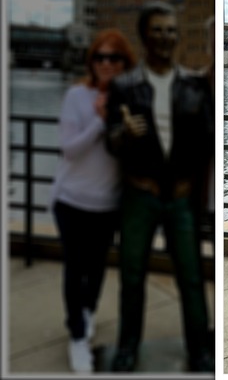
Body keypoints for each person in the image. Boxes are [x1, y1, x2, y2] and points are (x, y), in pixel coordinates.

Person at [105, 0, 214, 372]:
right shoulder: (124, 86)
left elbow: (207, 141)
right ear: (144, 36)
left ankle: (199, 351)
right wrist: (123, 134)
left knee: (191, 277)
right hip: (140, 195)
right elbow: (109, 141)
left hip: (181, 198)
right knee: (132, 276)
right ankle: (127, 349)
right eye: (157, 30)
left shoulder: (193, 86)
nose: (165, 37)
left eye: (170, 30)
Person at [50, 29, 137, 373]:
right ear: (92, 61)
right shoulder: (76, 97)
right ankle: (77, 334)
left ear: (123, 63)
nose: (106, 64)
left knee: (98, 267)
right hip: (71, 200)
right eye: (100, 57)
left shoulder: (131, 98)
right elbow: (69, 149)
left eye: (114, 58)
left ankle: (85, 317)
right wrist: (100, 121)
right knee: (75, 266)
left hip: (108, 204)